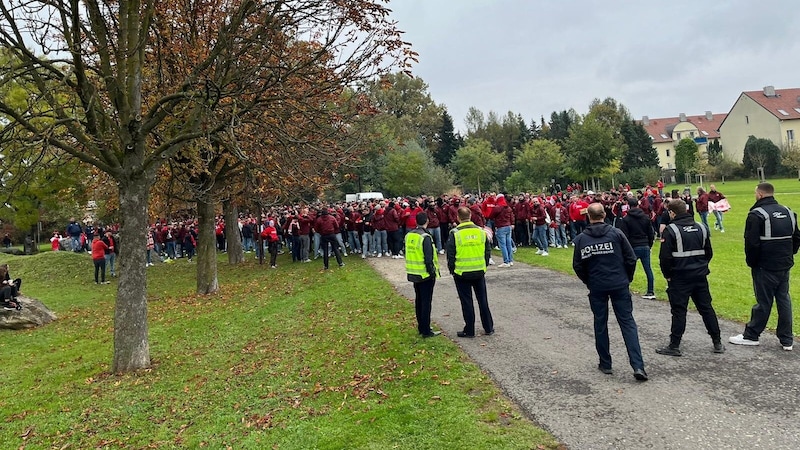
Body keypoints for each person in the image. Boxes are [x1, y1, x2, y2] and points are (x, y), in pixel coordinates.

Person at [572, 203, 647, 381]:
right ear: (604, 215)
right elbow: (630, 258)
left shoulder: (582, 239)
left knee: (600, 323)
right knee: (627, 323)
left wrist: (589, 281)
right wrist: (626, 278)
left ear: (589, 217)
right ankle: (638, 365)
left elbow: (577, 265)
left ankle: (606, 363)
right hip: (618, 283)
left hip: (598, 285)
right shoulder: (616, 234)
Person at [730, 182, 800, 351]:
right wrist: (789, 254)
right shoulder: (789, 211)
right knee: (783, 299)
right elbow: (797, 237)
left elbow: (752, 243)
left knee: (763, 301)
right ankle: (787, 339)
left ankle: (752, 335)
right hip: (784, 263)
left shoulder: (757, 214)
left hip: (765, 266)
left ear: (760, 195)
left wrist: (752, 263)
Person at [656, 199, 724, 356]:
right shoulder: (701, 227)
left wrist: (668, 276)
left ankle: (674, 345)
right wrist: (701, 266)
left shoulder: (671, 230)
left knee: (679, 311)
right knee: (706, 308)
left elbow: (664, 258)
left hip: (679, 277)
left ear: (672, 213)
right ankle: (717, 342)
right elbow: (709, 253)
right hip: (700, 276)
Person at [446, 207, 494, 338]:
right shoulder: (480, 231)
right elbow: (487, 250)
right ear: (471, 215)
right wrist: (484, 264)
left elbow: (450, 254)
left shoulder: (455, 233)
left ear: (458, 217)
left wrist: (452, 269)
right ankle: (488, 327)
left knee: (466, 301)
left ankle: (470, 330)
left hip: (462, 272)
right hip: (479, 270)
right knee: (483, 300)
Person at [405, 212, 440, 338]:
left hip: (414, 271)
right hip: (425, 274)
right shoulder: (425, 237)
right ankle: (426, 330)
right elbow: (428, 258)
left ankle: (421, 326)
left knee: (419, 300)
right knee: (426, 302)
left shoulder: (409, 235)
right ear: (427, 221)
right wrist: (432, 273)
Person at [617, 197, 656, 299]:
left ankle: (625, 288)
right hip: (645, 245)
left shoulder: (626, 219)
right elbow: (651, 233)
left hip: (632, 246)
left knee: (627, 268)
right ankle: (651, 291)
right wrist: (650, 245)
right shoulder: (645, 218)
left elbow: (624, 236)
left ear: (628, 205)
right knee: (648, 269)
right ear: (638, 205)